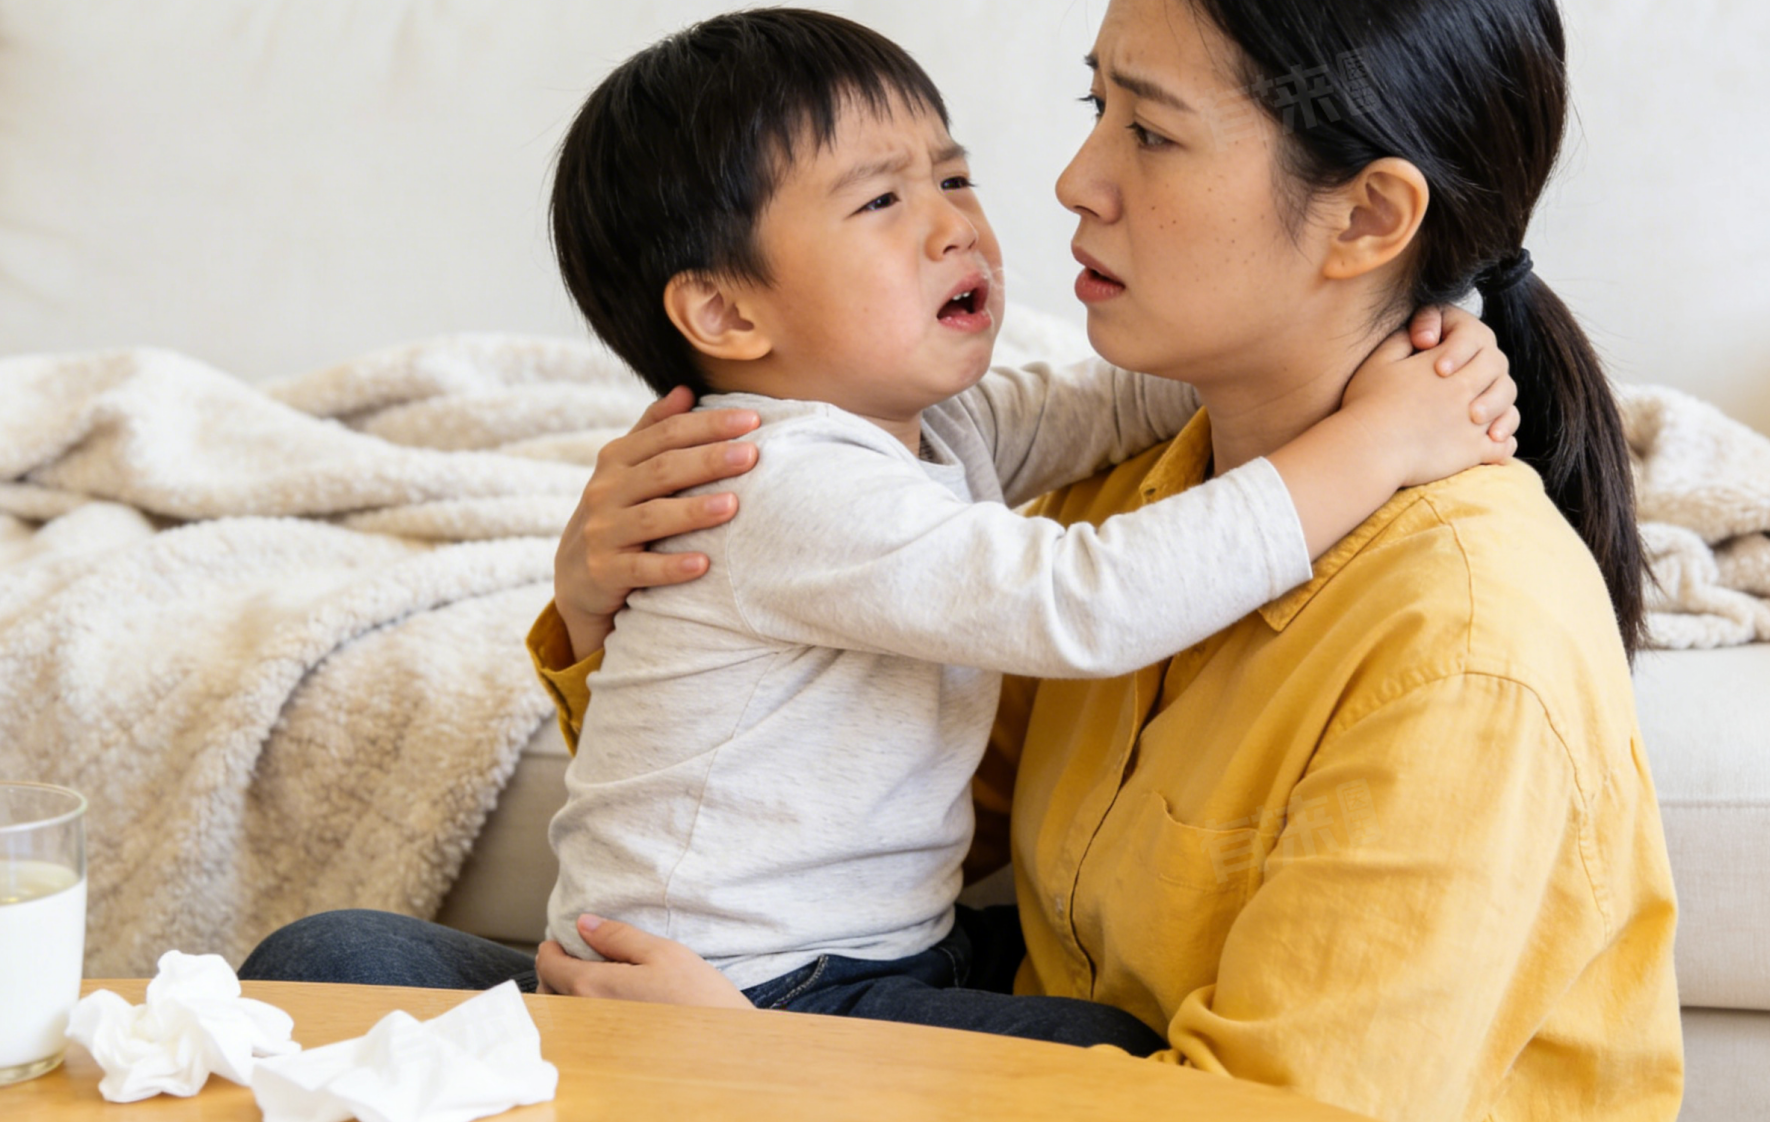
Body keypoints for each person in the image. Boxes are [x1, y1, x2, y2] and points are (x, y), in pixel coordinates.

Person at [237, 7, 1514, 1051]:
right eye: (881, 204)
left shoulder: (928, 425)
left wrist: (1396, 332)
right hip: (756, 984)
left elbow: (1121, 396)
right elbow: (1085, 600)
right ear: (728, 316)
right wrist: (1374, 441)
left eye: (952, 176)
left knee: (338, 966)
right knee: (1108, 1053)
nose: (962, 221)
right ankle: (657, 1069)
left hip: (880, 949)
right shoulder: (787, 484)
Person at [527, 0, 1683, 1119]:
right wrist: (600, 611)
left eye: (1150, 129)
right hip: (819, 1000)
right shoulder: (1128, 497)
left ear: (1367, 218)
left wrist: (763, 1071)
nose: (1071, 181)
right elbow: (854, 788)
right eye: (1097, 107)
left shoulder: (1469, 651)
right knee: (400, 973)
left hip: (915, 1071)